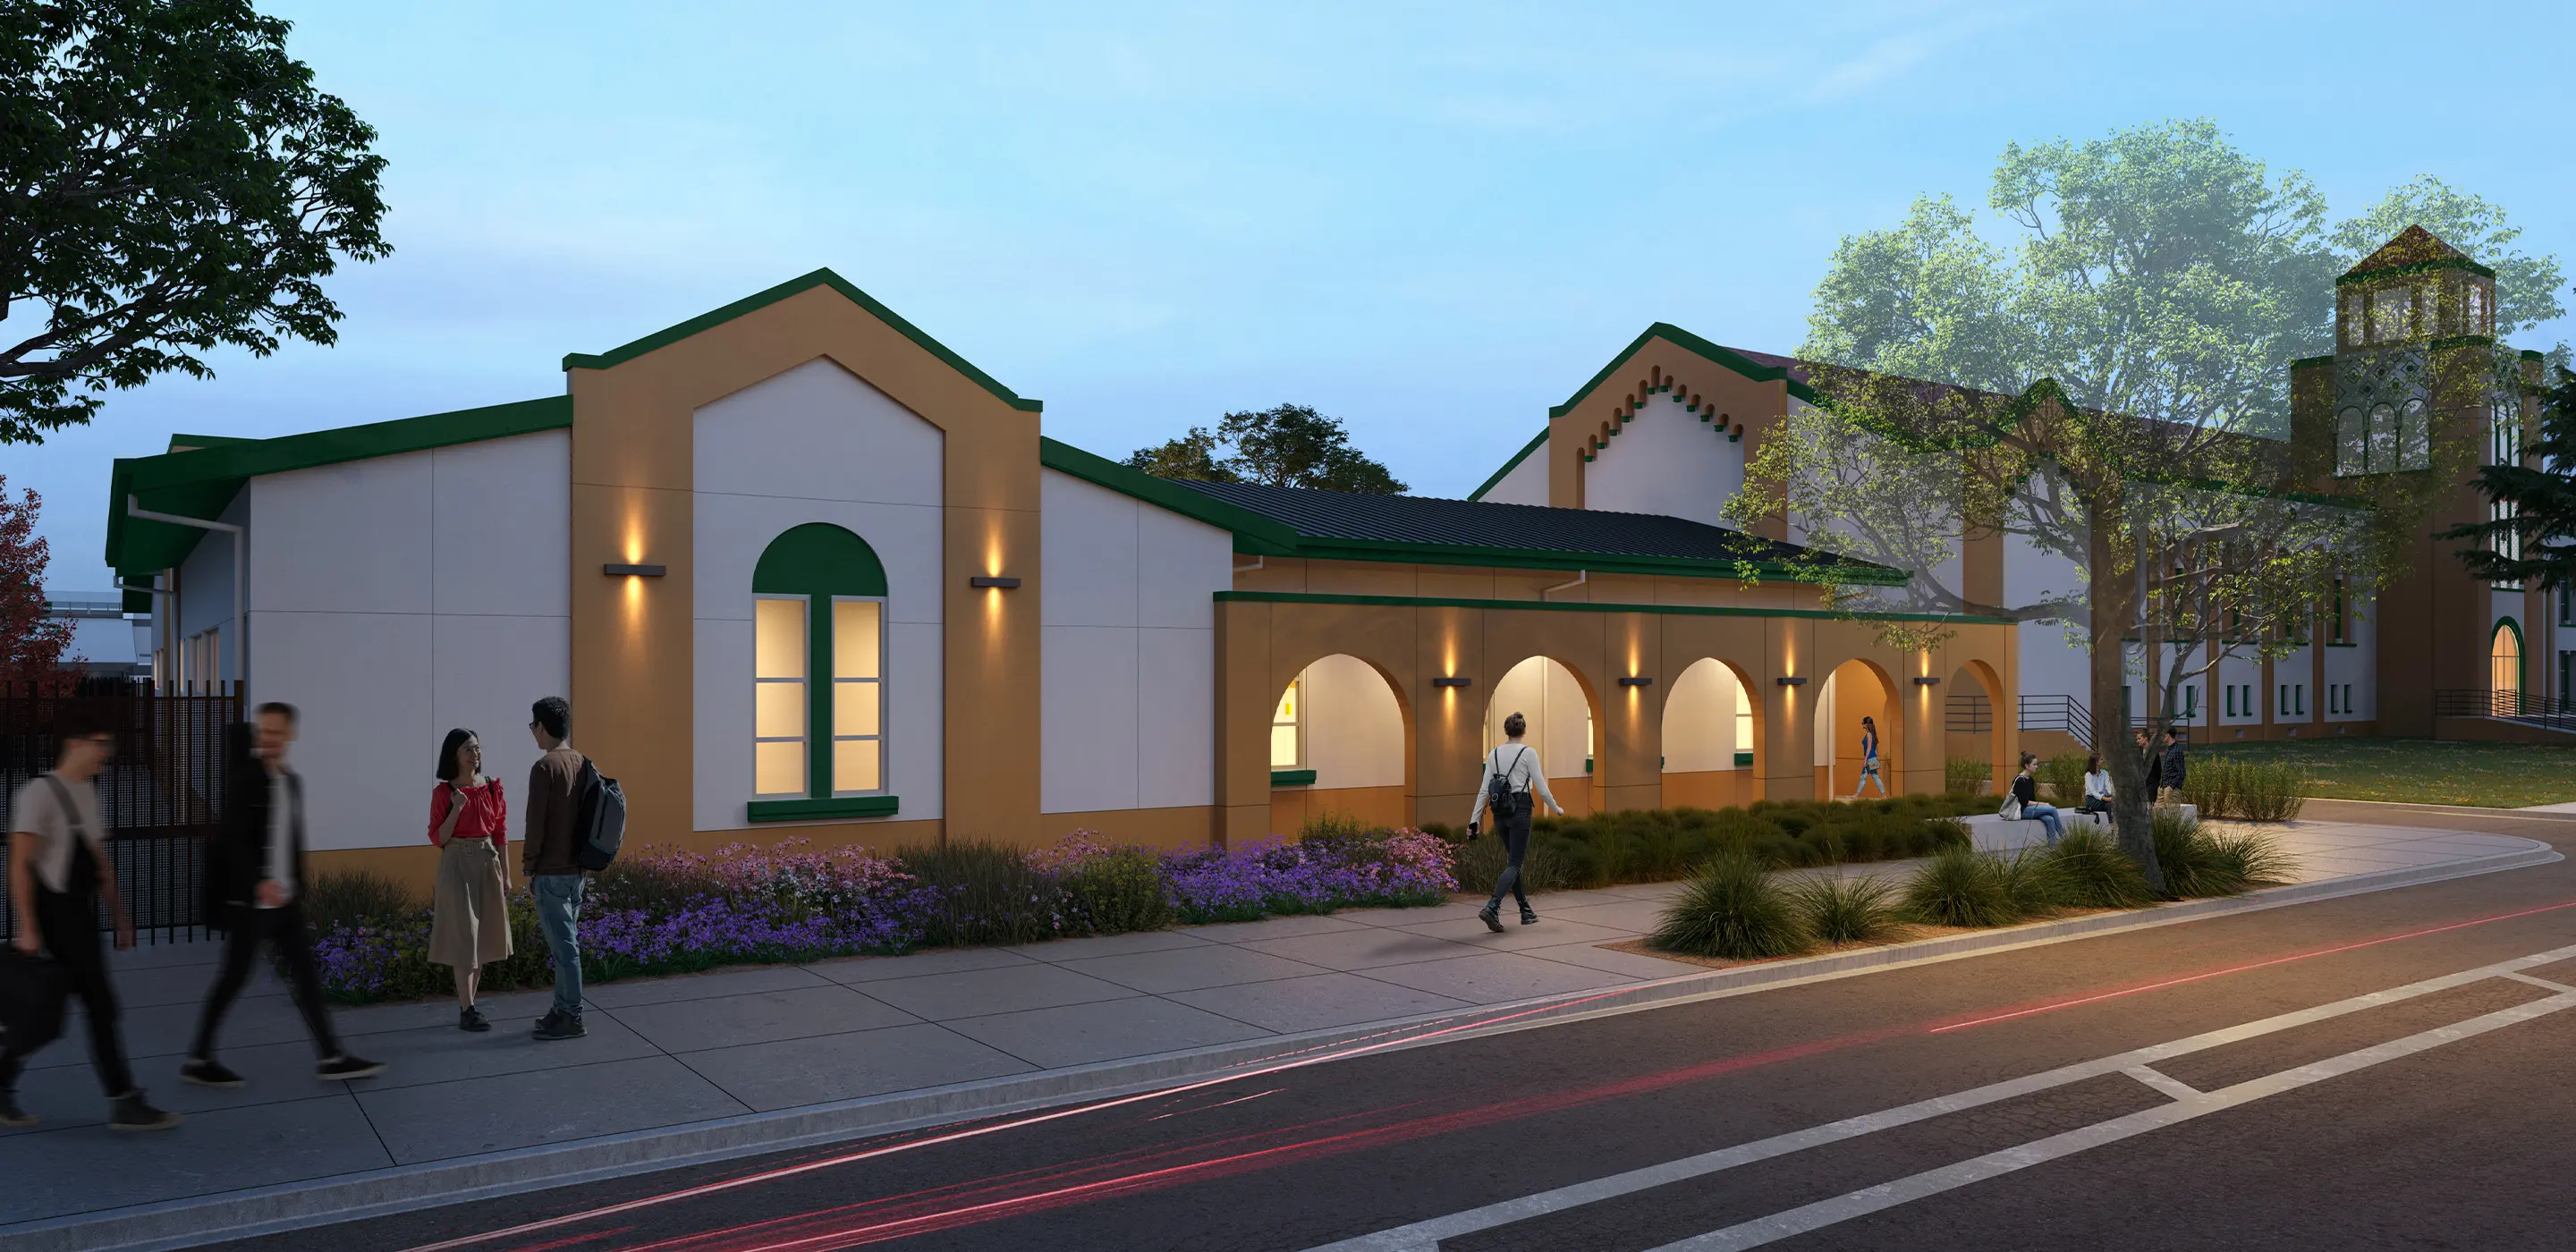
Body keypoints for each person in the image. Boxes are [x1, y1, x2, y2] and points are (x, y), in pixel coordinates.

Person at [184, 704, 383, 1089]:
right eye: (264, 732)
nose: (269, 739)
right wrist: (258, 882)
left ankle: (331, 1055)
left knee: (306, 979)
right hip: (252, 904)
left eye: (276, 732)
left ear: (290, 734)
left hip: (285, 903)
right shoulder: (247, 779)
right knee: (232, 979)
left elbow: (290, 840)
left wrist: (295, 886)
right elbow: (233, 841)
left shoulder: (292, 782)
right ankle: (198, 1057)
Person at [3, 707, 180, 1130]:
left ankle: (118, 1097)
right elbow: (19, 864)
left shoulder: (89, 792)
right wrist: (26, 926)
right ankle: (124, 1100)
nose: (108, 753)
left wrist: (120, 917)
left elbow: (100, 863)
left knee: (52, 1016)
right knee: (93, 1008)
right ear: (75, 744)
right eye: (101, 745)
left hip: (79, 918)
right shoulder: (38, 794)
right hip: (55, 920)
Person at [428, 729, 513, 1032]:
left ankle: (469, 1006)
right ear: (454, 755)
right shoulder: (444, 793)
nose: (475, 754)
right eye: (468, 749)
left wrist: (506, 871)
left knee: (482, 937)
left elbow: (501, 831)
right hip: (456, 863)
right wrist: (457, 808)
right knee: (465, 936)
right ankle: (468, 1008)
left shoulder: (491, 787)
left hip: (487, 860)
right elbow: (438, 838)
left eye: (477, 748)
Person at [524, 696, 589, 1041]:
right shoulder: (581, 762)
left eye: (532, 726)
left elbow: (535, 824)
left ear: (541, 726)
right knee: (567, 943)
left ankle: (572, 1016)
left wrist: (529, 867)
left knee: (565, 948)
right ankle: (562, 1008)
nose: (533, 733)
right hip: (577, 873)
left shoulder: (544, 767)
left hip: (551, 872)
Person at [1466, 711, 1564, 933]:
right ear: (1523, 731)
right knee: (1515, 863)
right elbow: (1541, 786)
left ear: (1506, 731)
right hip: (1520, 809)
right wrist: (1556, 808)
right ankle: (1493, 905)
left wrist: (1474, 821)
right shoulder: (1528, 753)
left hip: (1499, 812)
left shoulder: (1494, 755)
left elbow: (1484, 790)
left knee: (1513, 860)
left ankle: (1525, 910)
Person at [2005, 751, 2064, 845]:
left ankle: (2052, 848)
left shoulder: (2031, 780)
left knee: (2050, 820)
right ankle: (2065, 838)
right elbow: (2024, 802)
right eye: (2034, 764)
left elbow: (2033, 799)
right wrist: (2044, 804)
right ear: (2027, 766)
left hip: (2030, 809)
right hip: (2021, 811)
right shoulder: (2020, 780)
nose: (2036, 766)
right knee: (2052, 810)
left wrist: (2041, 807)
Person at [1851, 715, 1885, 799]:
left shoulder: (1869, 734)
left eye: (1863, 723)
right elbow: (1875, 748)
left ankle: (1883, 794)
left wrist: (1865, 760)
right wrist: (1876, 757)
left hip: (1870, 758)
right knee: (1866, 777)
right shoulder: (1872, 733)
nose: (1862, 725)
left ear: (1866, 724)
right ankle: (1857, 794)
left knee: (1872, 777)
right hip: (1873, 758)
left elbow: (1869, 748)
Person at [2080, 753, 2114, 824]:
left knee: (2111, 803)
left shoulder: (2105, 773)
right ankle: (2113, 825)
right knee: (2109, 804)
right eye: (2101, 759)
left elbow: (2108, 787)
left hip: (2104, 798)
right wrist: (2106, 799)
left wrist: (2112, 796)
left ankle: (2113, 825)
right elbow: (2093, 792)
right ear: (2096, 762)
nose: (2103, 761)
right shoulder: (2088, 775)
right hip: (2092, 799)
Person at [2161, 727, 2189, 804]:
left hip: (2171, 789)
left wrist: (2171, 787)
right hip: (2163, 787)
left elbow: (2182, 773)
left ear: (2167, 735)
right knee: (2157, 813)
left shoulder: (2177, 751)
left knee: (2173, 814)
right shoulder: (2168, 750)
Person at [2137, 728, 2162, 799]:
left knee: (2150, 807)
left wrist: (2154, 783)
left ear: (2145, 738)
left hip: (2151, 785)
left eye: (2139, 739)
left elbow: (2158, 770)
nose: (2137, 741)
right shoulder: (2138, 752)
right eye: (2137, 739)